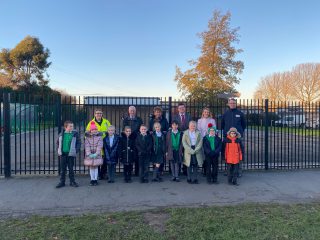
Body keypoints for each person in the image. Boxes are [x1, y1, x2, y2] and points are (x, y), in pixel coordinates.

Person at [221, 98, 246, 177]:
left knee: (238, 153)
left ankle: (238, 171)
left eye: (234, 103)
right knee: (227, 154)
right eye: (231, 103)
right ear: (228, 104)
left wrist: (239, 133)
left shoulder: (240, 113)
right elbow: (222, 125)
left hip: (238, 137)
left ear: (236, 104)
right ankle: (228, 171)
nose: (232, 104)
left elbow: (244, 125)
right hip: (227, 138)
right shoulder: (225, 114)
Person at [86, 109, 111, 180]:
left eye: (100, 113)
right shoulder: (91, 122)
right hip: (95, 143)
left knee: (105, 158)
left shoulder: (106, 122)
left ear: (102, 114)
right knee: (97, 158)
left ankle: (103, 173)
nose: (99, 114)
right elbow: (87, 133)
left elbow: (110, 130)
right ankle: (98, 174)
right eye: (97, 113)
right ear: (95, 114)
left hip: (106, 142)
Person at [56, 120, 80, 188]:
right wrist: (58, 150)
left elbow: (78, 143)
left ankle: (72, 181)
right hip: (63, 154)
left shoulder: (75, 134)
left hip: (71, 154)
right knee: (63, 169)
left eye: (72, 126)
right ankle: (62, 182)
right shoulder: (61, 134)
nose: (72, 127)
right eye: (70, 126)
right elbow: (58, 143)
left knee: (71, 169)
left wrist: (76, 150)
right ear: (65, 127)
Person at [122, 106, 143, 176]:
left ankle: (137, 172)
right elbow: (124, 129)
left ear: (135, 111)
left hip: (137, 139)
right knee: (129, 156)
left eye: (133, 110)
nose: (132, 112)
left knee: (137, 155)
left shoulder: (139, 119)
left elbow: (141, 129)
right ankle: (129, 171)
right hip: (129, 139)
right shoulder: (125, 119)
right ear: (128, 111)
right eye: (131, 110)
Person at [197, 107, 217, 176]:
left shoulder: (212, 120)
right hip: (203, 139)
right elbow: (198, 130)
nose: (206, 113)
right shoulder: (199, 120)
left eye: (207, 112)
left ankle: (209, 170)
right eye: (205, 112)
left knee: (209, 154)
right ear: (203, 113)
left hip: (210, 139)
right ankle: (204, 170)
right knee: (203, 154)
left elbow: (214, 129)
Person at [84, 121, 104, 186]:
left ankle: (95, 179)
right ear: (90, 130)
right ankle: (92, 179)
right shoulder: (87, 138)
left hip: (96, 154)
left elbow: (100, 145)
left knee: (96, 167)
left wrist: (97, 153)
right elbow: (86, 145)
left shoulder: (99, 137)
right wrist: (89, 153)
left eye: (95, 129)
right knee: (91, 167)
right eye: (93, 129)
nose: (94, 131)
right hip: (89, 154)